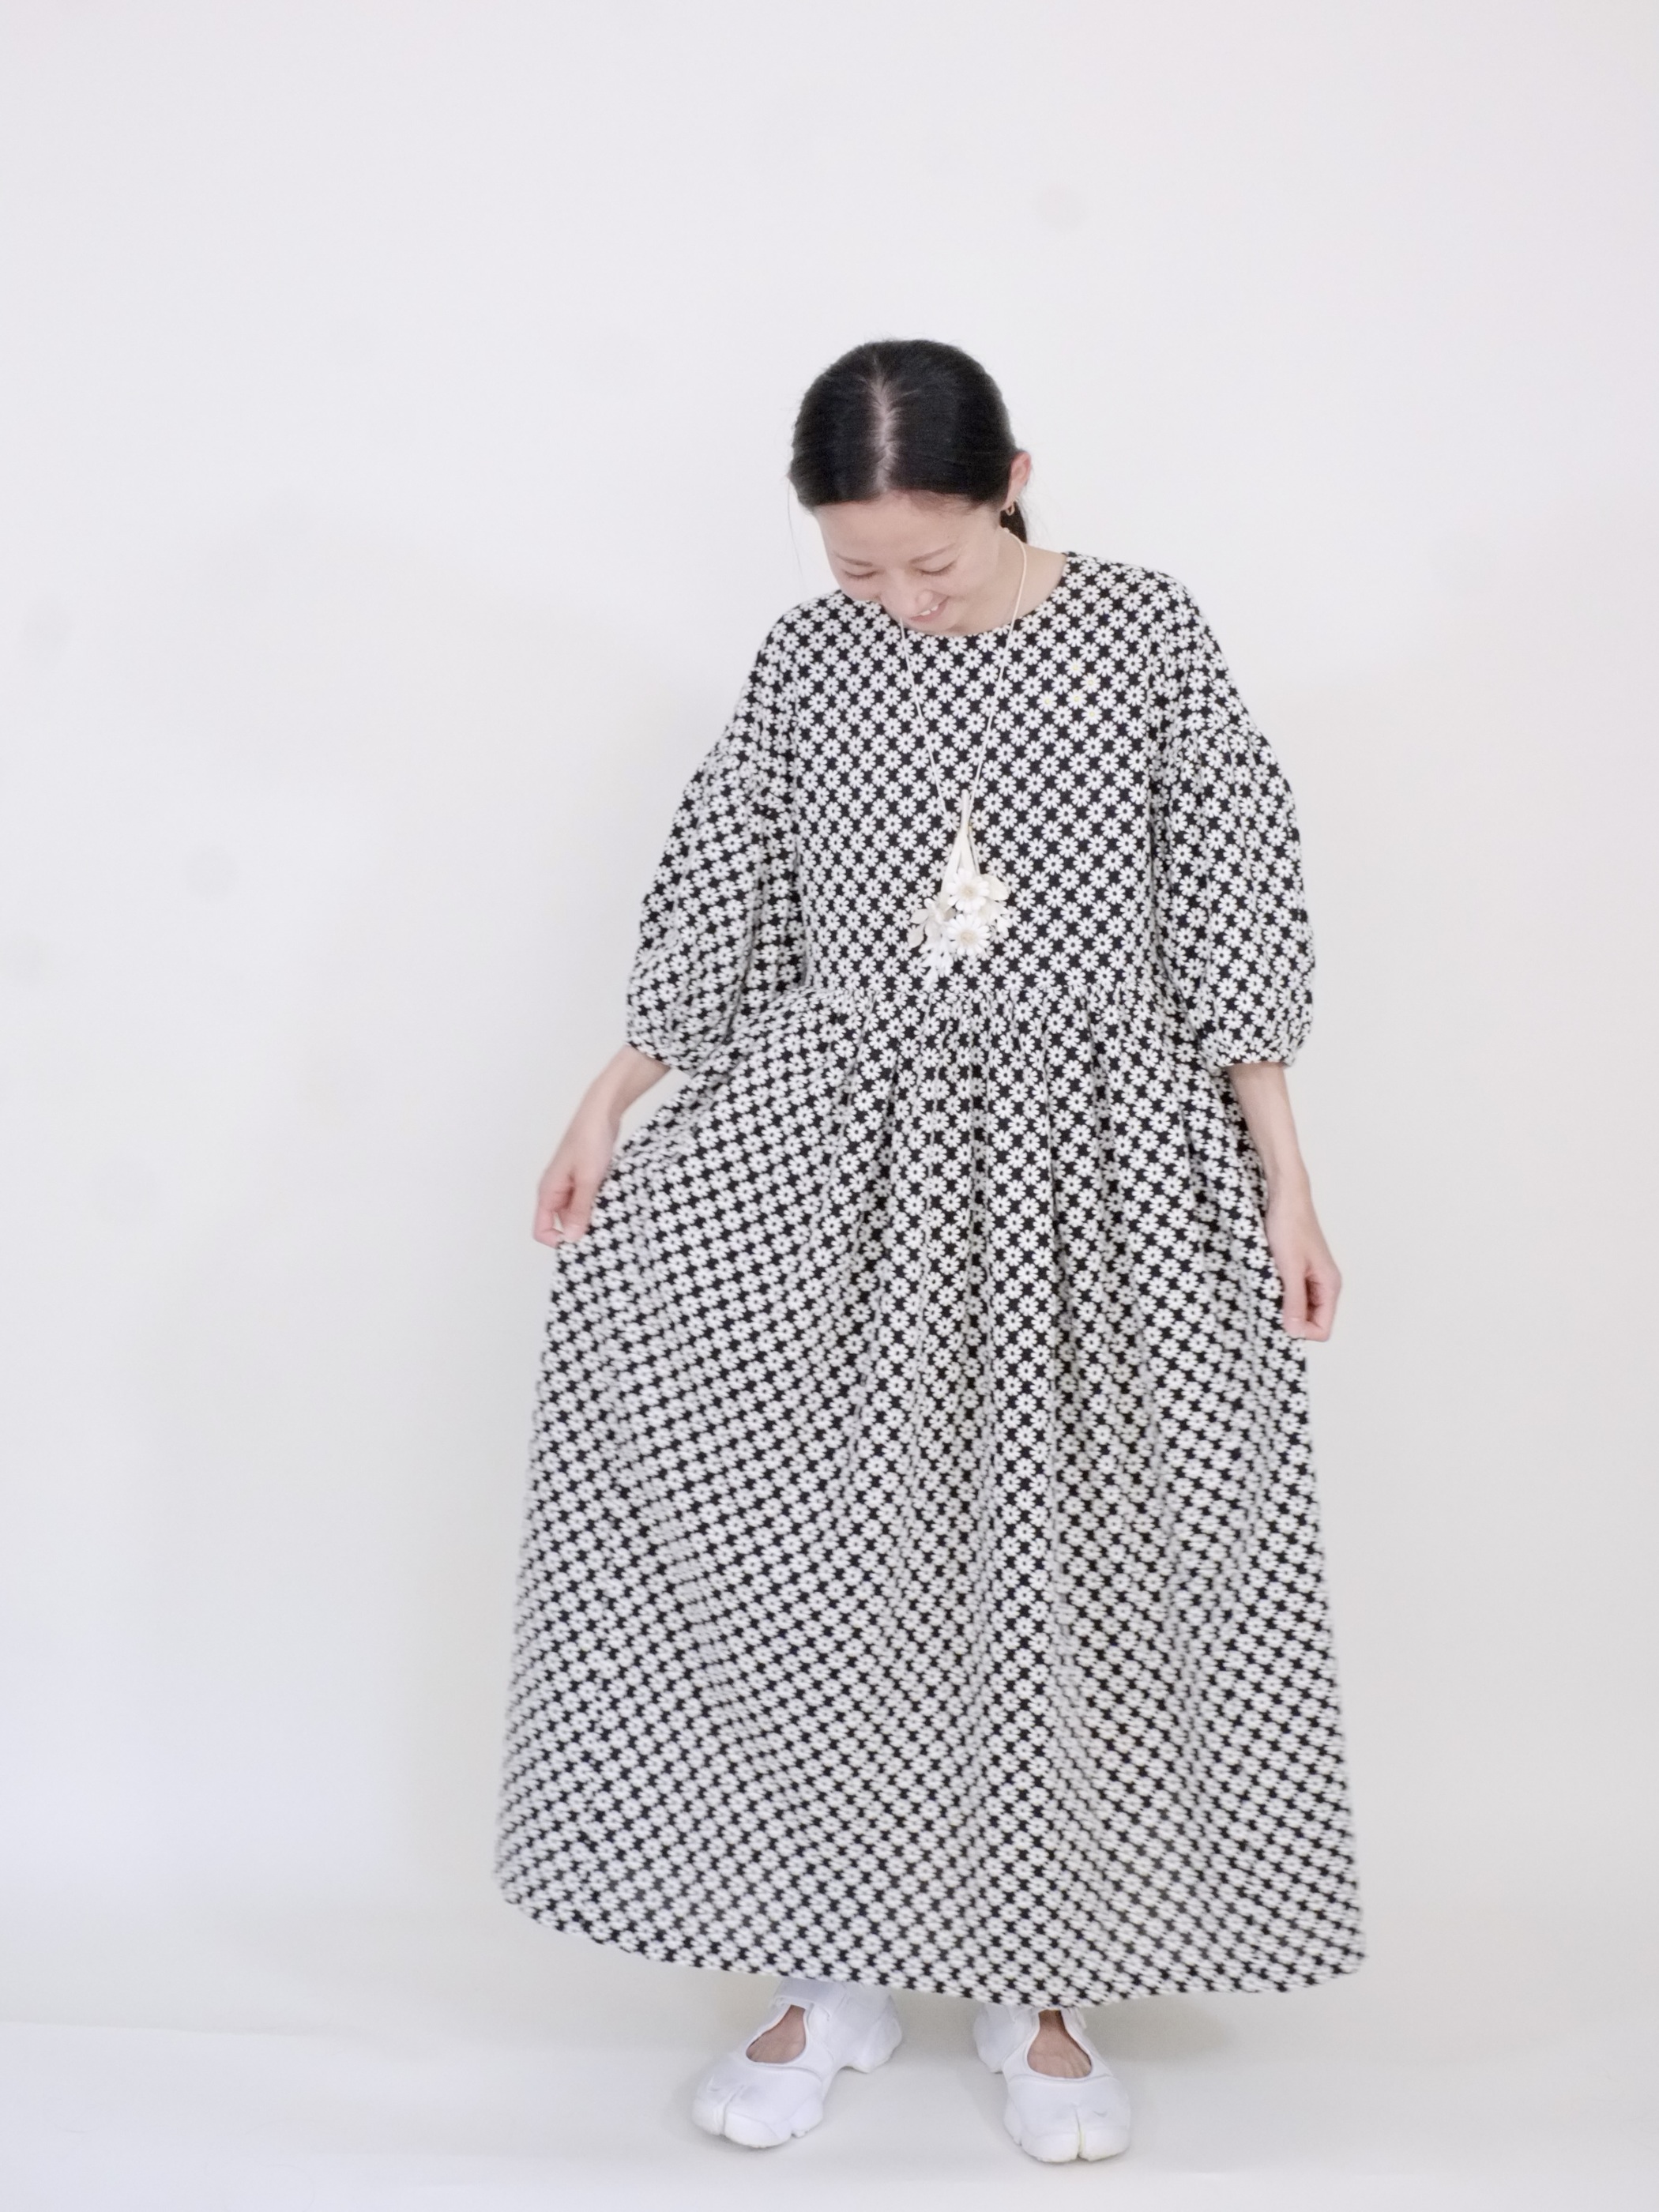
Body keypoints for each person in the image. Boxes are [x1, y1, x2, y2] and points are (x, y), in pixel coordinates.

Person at [496, 338, 1363, 2165]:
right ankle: (833, 1963)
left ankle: (1034, 1980)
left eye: (932, 560)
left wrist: (1286, 1178)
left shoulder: (1148, 633)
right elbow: (728, 879)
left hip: (1096, 1165)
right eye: (859, 567)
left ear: (1014, 481)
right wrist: (613, 1090)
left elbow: (1232, 898)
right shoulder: (808, 658)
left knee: (1061, 1554)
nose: (899, 599)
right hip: (841, 1157)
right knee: (831, 1550)